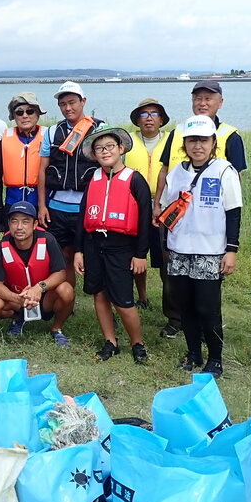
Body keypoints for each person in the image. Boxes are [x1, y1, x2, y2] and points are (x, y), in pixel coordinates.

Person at [153, 81, 247, 339]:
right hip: (178, 218)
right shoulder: (178, 131)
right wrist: (157, 205)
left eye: (209, 98)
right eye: (198, 98)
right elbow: (164, 169)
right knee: (174, 279)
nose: (202, 103)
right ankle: (176, 320)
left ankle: (208, 334)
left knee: (207, 292)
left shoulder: (230, 134)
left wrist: (231, 246)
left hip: (210, 224)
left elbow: (235, 181)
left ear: (220, 102)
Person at [157, 116, 242, 378]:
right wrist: (166, 246)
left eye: (203, 140)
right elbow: (165, 210)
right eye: (192, 140)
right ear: (185, 144)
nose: (198, 146)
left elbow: (234, 212)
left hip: (211, 250)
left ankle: (215, 359)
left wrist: (231, 250)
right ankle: (194, 352)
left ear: (213, 142)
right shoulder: (176, 173)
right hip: (179, 249)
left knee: (208, 307)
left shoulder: (224, 170)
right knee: (186, 307)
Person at [73, 127, 151, 364]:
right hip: (94, 245)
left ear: (121, 149)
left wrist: (140, 254)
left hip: (122, 247)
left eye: (109, 147)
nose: (105, 151)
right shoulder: (92, 179)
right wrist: (78, 251)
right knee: (100, 294)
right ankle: (111, 341)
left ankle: (137, 343)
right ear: (94, 154)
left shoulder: (135, 179)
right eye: (99, 148)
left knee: (123, 300)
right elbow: (82, 216)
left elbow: (145, 219)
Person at [38, 81, 105, 291]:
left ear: (83, 101)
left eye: (73, 102)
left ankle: (101, 297)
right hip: (57, 208)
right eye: (63, 104)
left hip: (88, 207)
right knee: (62, 255)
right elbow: (42, 171)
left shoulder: (99, 129)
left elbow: (109, 169)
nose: (68, 108)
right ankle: (68, 300)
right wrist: (42, 206)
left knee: (94, 254)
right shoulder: (51, 133)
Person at [0, 201, 74, 346]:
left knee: (66, 290)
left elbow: (61, 273)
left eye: (25, 222)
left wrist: (38, 288)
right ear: (9, 224)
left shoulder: (47, 240)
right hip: (18, 298)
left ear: (34, 225)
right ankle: (18, 319)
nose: (19, 227)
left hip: (45, 297)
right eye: (14, 221)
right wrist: (17, 299)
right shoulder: (1, 247)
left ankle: (56, 328)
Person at [125, 97, 172, 312]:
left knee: (165, 253)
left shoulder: (172, 140)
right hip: (135, 203)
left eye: (154, 114)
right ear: (137, 120)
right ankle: (142, 297)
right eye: (144, 114)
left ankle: (170, 300)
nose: (149, 118)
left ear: (161, 119)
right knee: (138, 251)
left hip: (166, 204)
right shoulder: (128, 141)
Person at [0, 92, 46, 225]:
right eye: (19, 112)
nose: (25, 116)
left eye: (30, 111)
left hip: (41, 204)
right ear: (14, 116)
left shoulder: (48, 137)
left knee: (41, 242)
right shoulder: (5, 138)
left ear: (38, 114)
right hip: (12, 203)